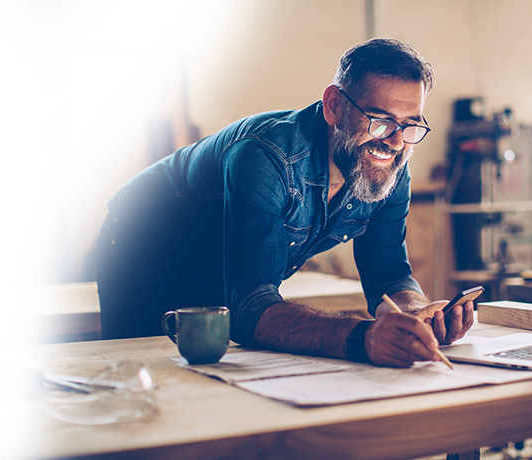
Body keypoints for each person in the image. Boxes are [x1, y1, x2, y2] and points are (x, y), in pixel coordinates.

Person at [95, 38, 474, 368]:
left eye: (410, 125)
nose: (394, 141)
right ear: (333, 107)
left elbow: (389, 276)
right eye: (379, 119)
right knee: (142, 382)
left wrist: (415, 314)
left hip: (226, 271)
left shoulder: (390, 167)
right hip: (143, 246)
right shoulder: (265, 157)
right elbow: (251, 308)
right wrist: (363, 337)